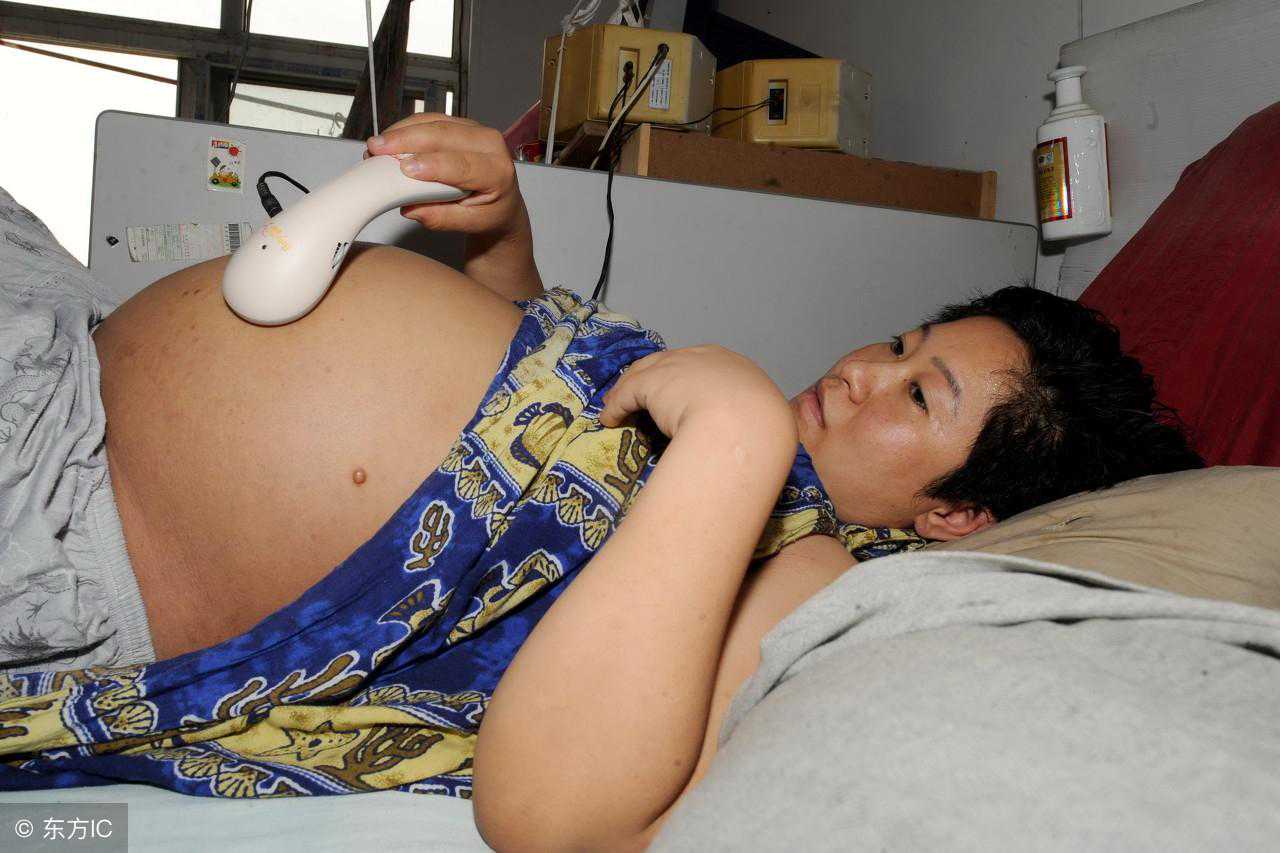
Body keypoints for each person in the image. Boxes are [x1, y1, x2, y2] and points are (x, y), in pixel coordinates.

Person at [0, 115, 1199, 836]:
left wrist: (732, 438)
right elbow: (528, 388)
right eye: (897, 344)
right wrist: (500, 228)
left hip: (62, 507)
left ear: (952, 513)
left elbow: (558, 813)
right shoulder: (748, 470)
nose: (858, 371)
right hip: (67, 337)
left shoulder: (811, 574)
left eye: (916, 396)